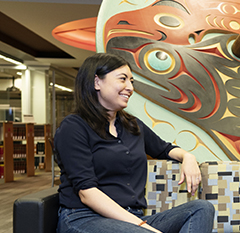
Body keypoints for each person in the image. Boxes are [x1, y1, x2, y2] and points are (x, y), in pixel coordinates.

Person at [54, 53, 215, 233]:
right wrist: (143, 227)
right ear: (97, 82)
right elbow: (87, 194)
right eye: (123, 79)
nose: (130, 87)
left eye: (131, 81)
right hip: (85, 218)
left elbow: (165, 149)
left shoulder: (132, 125)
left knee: (201, 208)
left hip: (132, 218)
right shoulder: (74, 127)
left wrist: (188, 157)